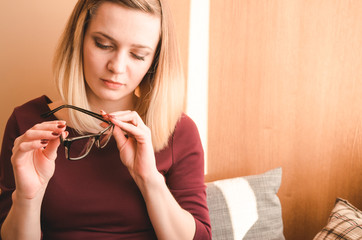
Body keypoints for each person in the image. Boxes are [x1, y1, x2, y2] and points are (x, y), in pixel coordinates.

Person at [0, 0, 211, 239]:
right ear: (79, 38)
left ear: (155, 60)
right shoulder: (27, 125)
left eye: (138, 55)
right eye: (103, 44)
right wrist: (28, 198)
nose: (117, 67)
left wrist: (148, 179)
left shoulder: (179, 131)